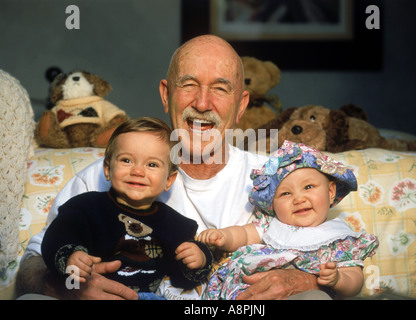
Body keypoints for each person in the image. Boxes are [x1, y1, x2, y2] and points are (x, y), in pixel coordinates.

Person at [17, 34, 327, 300]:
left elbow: (340, 254)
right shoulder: (107, 175)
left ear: (241, 105)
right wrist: (65, 285)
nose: (203, 103)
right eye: (189, 85)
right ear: (167, 95)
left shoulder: (279, 179)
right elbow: (33, 262)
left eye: (220, 89)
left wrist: (305, 280)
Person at [40, 117, 213, 300]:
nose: (138, 171)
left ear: (169, 180)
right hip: (89, 293)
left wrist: (199, 260)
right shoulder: (86, 207)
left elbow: (183, 278)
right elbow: (56, 237)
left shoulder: (174, 224)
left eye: (152, 164)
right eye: (126, 160)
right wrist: (70, 258)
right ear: (107, 168)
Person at [199, 141, 379, 300]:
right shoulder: (272, 224)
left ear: (331, 192)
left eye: (308, 187)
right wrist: (223, 236)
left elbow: (355, 281)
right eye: (285, 193)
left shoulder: (340, 239)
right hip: (248, 289)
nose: (298, 199)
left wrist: (338, 279)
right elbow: (245, 234)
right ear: (273, 204)